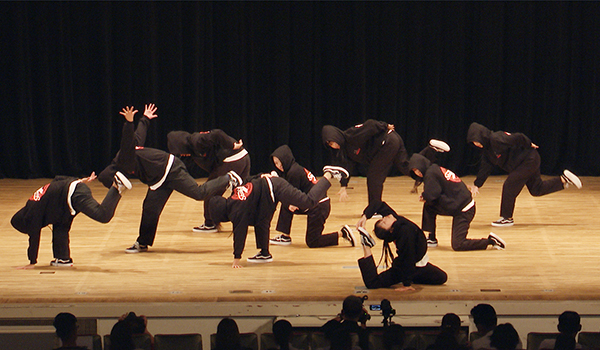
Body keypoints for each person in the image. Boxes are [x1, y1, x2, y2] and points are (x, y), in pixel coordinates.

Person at [97, 105, 240, 253]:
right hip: (157, 179)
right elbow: (139, 136)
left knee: (198, 193)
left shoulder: (125, 157)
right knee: (150, 209)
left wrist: (129, 122)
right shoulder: (124, 160)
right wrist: (145, 118)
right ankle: (142, 243)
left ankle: (228, 177)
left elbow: (128, 138)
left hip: (170, 168)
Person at [208, 167, 344, 268]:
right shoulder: (233, 199)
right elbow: (259, 218)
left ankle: (328, 174)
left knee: (307, 201)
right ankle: (264, 253)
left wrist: (236, 259)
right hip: (270, 187)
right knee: (261, 221)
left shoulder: (236, 211)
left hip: (276, 187)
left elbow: (240, 233)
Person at [322, 120, 449, 218]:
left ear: (336, 135)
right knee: (407, 167)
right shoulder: (343, 152)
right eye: (330, 144)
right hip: (392, 141)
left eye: (333, 141)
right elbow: (344, 168)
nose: (334, 145)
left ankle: (375, 208)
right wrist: (343, 187)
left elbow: (370, 124)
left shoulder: (351, 135)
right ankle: (431, 150)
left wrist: (384, 125)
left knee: (374, 177)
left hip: (387, 141)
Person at [467, 122, 582, 227]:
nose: (476, 144)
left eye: (476, 141)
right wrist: (477, 184)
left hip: (529, 160)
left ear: (481, 135)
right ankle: (563, 179)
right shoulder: (488, 152)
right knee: (537, 189)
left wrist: (529, 143)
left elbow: (518, 137)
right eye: (474, 143)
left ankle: (507, 218)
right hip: (525, 163)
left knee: (509, 185)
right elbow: (485, 168)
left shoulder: (496, 138)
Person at [11, 170, 131, 268]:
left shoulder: (32, 214)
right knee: (60, 227)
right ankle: (63, 258)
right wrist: (79, 181)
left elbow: (34, 237)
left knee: (103, 215)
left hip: (74, 195)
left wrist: (32, 262)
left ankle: (116, 186)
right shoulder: (33, 203)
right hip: (73, 192)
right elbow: (57, 179)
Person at [408, 153, 506, 250]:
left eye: (417, 169)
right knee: (429, 206)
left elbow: (432, 194)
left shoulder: (430, 174)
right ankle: (431, 238)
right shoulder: (434, 169)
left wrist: (424, 196)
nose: (417, 173)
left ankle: (490, 241)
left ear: (421, 165)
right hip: (458, 203)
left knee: (458, 244)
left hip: (464, 209)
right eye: (414, 171)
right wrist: (427, 197)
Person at [268, 145, 355, 248]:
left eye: (279, 162)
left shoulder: (293, 173)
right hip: (315, 204)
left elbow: (292, 196)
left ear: (285, 158)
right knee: (287, 204)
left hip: (318, 207)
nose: (278, 166)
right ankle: (285, 236)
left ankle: (342, 233)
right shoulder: (293, 169)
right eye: (275, 164)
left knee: (313, 241)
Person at [167, 128, 251, 232]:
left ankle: (210, 223)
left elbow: (217, 134)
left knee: (209, 191)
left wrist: (232, 145)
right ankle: (248, 219)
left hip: (232, 158)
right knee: (241, 192)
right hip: (243, 156)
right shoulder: (191, 152)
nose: (182, 155)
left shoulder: (196, 140)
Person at [354, 201, 447, 290]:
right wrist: (407, 284)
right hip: (405, 266)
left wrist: (365, 216)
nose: (385, 217)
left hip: (416, 263)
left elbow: (378, 204)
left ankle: (411, 275)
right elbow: (408, 259)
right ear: (391, 230)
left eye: (382, 219)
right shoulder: (404, 232)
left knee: (441, 277)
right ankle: (366, 245)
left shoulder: (394, 220)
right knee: (373, 283)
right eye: (384, 222)